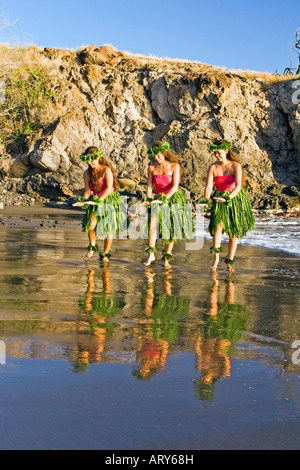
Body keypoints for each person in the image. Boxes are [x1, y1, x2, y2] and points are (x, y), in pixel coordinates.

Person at [201, 140, 255, 272]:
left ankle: (230, 261)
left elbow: (238, 186)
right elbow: (208, 187)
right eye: (215, 153)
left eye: (219, 153)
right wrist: (206, 201)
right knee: (217, 228)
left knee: (233, 232)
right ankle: (216, 259)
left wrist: (227, 198)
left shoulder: (235, 166)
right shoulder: (213, 167)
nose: (217, 156)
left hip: (234, 199)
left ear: (226, 151)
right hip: (219, 198)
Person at [142, 140, 194, 268]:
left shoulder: (174, 166)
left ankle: (166, 258)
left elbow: (175, 186)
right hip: (158, 198)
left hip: (172, 198)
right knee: (152, 226)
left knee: (169, 230)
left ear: (164, 153)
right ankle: (151, 254)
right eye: (154, 156)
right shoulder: (152, 167)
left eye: (158, 155)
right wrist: (148, 200)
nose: (156, 158)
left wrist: (163, 199)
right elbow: (149, 186)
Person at [72, 146, 125, 261]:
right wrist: (82, 201)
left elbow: (108, 188)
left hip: (108, 200)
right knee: (91, 225)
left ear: (98, 157)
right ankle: (92, 246)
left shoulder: (106, 170)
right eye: (88, 161)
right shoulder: (86, 173)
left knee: (108, 230)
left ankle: (105, 254)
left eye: (92, 160)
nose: (90, 163)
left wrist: (98, 201)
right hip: (94, 200)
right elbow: (87, 191)